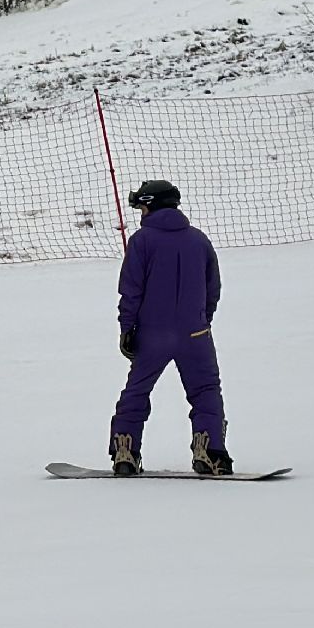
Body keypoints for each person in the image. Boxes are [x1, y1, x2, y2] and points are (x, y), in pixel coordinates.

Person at [109, 179, 232, 476]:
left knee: (137, 391)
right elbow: (212, 287)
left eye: (142, 206)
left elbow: (131, 290)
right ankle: (210, 449)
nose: (141, 212)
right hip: (196, 333)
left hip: (153, 334)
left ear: (151, 205)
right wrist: (203, 319)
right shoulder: (199, 240)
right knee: (205, 391)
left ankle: (125, 449)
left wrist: (128, 328)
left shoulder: (142, 241)